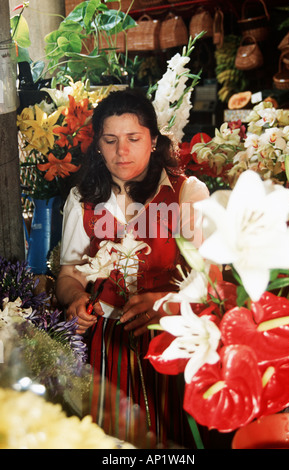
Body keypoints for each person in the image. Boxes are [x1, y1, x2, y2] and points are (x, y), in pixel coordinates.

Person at [55, 88, 209, 448]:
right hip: (104, 343)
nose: (121, 151)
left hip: (169, 339)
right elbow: (69, 273)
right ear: (98, 145)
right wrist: (76, 298)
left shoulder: (187, 194)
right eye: (110, 140)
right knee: (108, 440)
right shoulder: (84, 198)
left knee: (170, 437)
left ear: (153, 141)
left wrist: (167, 302)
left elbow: (209, 279)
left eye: (133, 138)